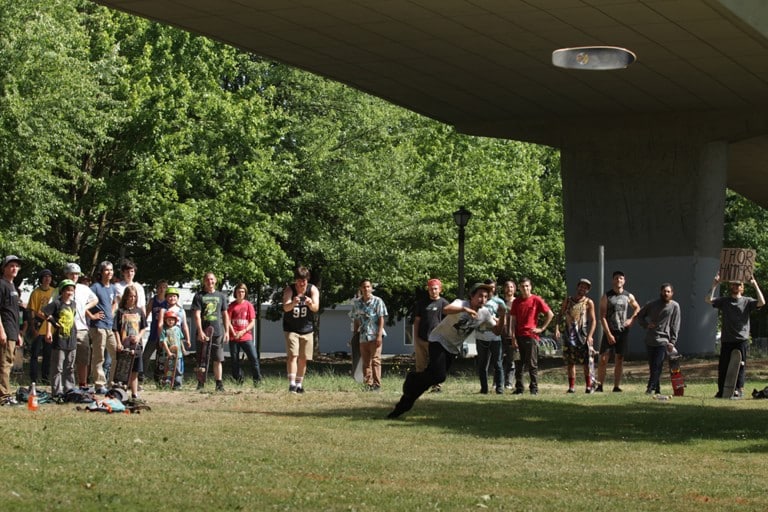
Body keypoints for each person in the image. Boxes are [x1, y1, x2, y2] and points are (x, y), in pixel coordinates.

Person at [388, 282, 496, 419]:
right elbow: (446, 310)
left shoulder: (485, 313)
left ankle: (402, 407)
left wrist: (503, 315)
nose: (483, 299)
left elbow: (497, 329)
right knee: (439, 376)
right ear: (472, 296)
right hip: (438, 340)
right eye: (480, 295)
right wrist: (465, 310)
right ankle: (412, 378)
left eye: (486, 297)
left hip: (452, 348)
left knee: (429, 378)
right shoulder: (461, 303)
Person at [706, 273, 765, 399]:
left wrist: (754, 284)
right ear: (730, 286)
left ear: (742, 287)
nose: (736, 286)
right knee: (723, 366)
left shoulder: (747, 301)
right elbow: (707, 300)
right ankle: (722, 391)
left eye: (739, 284)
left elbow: (762, 302)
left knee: (740, 366)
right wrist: (715, 284)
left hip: (741, 340)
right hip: (727, 339)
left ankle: (739, 390)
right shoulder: (725, 301)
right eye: (734, 284)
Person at [56, 263, 98, 390]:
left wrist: (85, 308)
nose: (74, 276)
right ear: (66, 274)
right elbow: (52, 305)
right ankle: (66, 385)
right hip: (66, 329)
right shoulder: (62, 287)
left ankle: (82, 384)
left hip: (81, 328)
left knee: (83, 357)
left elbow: (95, 299)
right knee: (66, 359)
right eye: (71, 273)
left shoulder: (84, 288)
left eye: (76, 274)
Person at [596, 270, 640, 393]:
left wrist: (631, 320)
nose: (618, 280)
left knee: (619, 359)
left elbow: (637, 308)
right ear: (613, 280)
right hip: (610, 330)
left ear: (624, 281)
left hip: (622, 331)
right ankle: (599, 385)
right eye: (616, 278)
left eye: (621, 278)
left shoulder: (628, 296)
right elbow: (602, 316)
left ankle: (616, 386)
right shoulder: (607, 296)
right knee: (603, 359)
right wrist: (608, 333)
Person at [509, 277, 554, 395]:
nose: (525, 288)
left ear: (531, 287)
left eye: (527, 286)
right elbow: (513, 320)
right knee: (519, 363)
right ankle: (519, 388)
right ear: (519, 288)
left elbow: (550, 314)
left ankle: (534, 388)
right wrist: (512, 336)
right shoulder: (516, 302)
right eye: (523, 286)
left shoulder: (536, 300)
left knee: (532, 364)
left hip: (531, 336)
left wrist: (542, 328)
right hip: (518, 336)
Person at [637, 283, 680, 395]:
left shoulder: (674, 306)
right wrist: (646, 325)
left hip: (664, 340)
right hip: (650, 339)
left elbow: (675, 325)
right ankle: (657, 388)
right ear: (660, 292)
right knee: (653, 366)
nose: (666, 293)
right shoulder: (652, 304)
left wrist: (672, 341)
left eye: (668, 292)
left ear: (672, 293)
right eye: (664, 291)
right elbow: (640, 315)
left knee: (658, 364)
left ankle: (650, 387)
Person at [554, 278, 596, 393]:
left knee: (586, 362)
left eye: (585, 287)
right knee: (570, 362)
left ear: (587, 290)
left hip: (582, 335)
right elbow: (560, 314)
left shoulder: (588, 302)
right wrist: (557, 328)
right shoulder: (568, 300)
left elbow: (593, 320)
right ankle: (571, 387)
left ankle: (588, 385)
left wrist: (590, 335)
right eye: (581, 286)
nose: (582, 289)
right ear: (577, 287)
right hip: (569, 335)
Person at [282, 266, 319, 393]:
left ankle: (299, 384)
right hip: (291, 328)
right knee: (293, 355)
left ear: (307, 280)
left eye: (304, 281)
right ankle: (291, 383)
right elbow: (285, 308)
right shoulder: (289, 289)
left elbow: (316, 308)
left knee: (304, 358)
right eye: (299, 281)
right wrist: (293, 303)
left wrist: (310, 303)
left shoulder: (312, 289)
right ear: (295, 280)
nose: (301, 284)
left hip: (307, 328)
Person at [192, 272, 230, 392]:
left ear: (216, 280)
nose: (210, 282)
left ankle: (219, 384)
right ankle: (200, 383)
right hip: (203, 332)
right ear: (204, 281)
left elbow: (225, 315)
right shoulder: (199, 296)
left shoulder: (221, 296)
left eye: (212, 279)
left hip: (217, 332)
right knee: (201, 358)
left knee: (218, 359)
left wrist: (227, 331)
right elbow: (197, 315)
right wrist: (200, 331)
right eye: (207, 279)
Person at [350, 279, 388, 391]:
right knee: (365, 362)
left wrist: (379, 335)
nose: (366, 289)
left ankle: (377, 384)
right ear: (360, 289)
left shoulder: (377, 301)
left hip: (375, 334)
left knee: (375, 360)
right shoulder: (357, 303)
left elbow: (381, 318)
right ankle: (368, 384)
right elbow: (356, 320)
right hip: (363, 335)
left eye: (368, 286)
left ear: (371, 288)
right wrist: (354, 336)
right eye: (363, 287)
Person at [412, 278, 450, 392]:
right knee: (421, 365)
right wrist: (416, 337)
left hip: (436, 340)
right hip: (422, 338)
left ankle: (436, 386)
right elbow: (417, 321)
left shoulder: (444, 303)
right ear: (428, 290)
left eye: (435, 289)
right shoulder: (421, 303)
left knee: (436, 365)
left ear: (440, 289)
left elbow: (449, 322)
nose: (433, 291)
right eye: (430, 289)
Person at [88, 261, 119, 394]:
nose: (109, 273)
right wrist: (92, 315)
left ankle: (113, 382)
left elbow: (115, 302)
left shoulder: (112, 288)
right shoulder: (95, 287)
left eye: (111, 270)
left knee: (117, 354)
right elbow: (83, 303)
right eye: (106, 270)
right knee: (99, 356)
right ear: (101, 272)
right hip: (98, 327)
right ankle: (100, 384)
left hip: (109, 326)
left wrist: (111, 313)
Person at [43, 279, 78, 398]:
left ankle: (69, 389)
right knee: (58, 367)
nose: (69, 292)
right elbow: (45, 312)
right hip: (60, 340)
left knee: (70, 366)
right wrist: (53, 323)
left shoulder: (74, 304)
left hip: (71, 339)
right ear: (62, 291)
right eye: (67, 290)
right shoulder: (57, 303)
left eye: (72, 290)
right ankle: (57, 391)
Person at [113, 285, 147, 398]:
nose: (132, 298)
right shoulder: (120, 311)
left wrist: (138, 336)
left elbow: (143, 327)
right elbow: (116, 329)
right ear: (125, 297)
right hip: (123, 346)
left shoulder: (139, 311)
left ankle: (134, 393)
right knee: (123, 370)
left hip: (136, 346)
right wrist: (118, 343)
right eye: (130, 296)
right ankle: (122, 393)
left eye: (134, 296)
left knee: (135, 371)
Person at [475, 278, 506, 394]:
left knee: (497, 363)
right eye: (489, 288)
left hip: (495, 337)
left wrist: (492, 319)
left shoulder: (499, 302)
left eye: (493, 287)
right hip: (480, 336)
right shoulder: (478, 301)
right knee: (482, 365)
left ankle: (500, 388)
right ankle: (484, 389)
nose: (491, 290)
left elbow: (504, 320)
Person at [227, 283, 262, 386]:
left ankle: (257, 381)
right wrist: (233, 332)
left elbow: (252, 322)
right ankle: (238, 381)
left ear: (245, 293)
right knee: (234, 360)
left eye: (242, 291)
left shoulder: (249, 305)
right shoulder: (231, 306)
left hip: (246, 337)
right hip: (234, 337)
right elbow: (227, 321)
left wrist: (243, 331)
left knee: (254, 358)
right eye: (238, 291)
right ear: (235, 293)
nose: (240, 293)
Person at [0, 256, 23, 403]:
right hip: (5, 331)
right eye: (11, 266)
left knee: (9, 362)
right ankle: (4, 396)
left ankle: (6, 393)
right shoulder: (1, 284)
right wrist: (1, 330)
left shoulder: (13, 287)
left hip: (13, 331)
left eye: (16, 266)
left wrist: (18, 333)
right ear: (4, 268)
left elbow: (14, 312)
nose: (14, 268)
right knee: (4, 364)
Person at [27, 269, 55, 384]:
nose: (47, 278)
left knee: (48, 355)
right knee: (35, 354)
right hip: (39, 326)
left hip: (50, 328)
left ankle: (45, 378)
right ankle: (33, 378)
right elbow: (32, 311)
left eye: (49, 276)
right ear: (41, 279)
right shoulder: (36, 292)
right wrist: (33, 327)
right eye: (45, 276)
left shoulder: (54, 292)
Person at [143, 280, 168, 383]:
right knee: (146, 356)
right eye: (160, 287)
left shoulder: (168, 301)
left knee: (163, 356)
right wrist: (142, 326)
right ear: (156, 289)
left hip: (165, 331)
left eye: (164, 287)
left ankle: (162, 377)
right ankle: (142, 375)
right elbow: (146, 313)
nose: (162, 289)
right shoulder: (153, 301)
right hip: (154, 331)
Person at [501, 280, 520, 391]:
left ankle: (509, 382)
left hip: (512, 335)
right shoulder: (500, 302)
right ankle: (498, 382)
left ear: (515, 289)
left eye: (512, 287)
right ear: (504, 289)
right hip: (500, 334)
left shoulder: (517, 302)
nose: (509, 289)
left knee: (511, 360)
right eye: (507, 287)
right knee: (498, 360)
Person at [159, 311, 184, 389]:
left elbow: (180, 340)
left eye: (172, 320)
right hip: (168, 355)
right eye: (169, 320)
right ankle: (168, 384)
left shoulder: (178, 329)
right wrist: (168, 352)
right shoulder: (164, 330)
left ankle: (177, 385)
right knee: (168, 369)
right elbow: (164, 341)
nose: (171, 321)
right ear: (165, 320)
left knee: (178, 370)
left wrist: (183, 349)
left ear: (175, 321)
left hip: (178, 354)